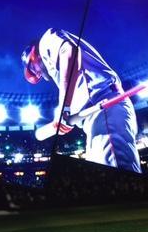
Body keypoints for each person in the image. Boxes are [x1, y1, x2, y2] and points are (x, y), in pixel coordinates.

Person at [21, 28, 141, 173]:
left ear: (34, 56)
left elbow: (69, 52)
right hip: (98, 116)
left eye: (33, 69)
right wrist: (66, 117)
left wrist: (64, 108)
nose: (38, 74)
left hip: (104, 107)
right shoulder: (55, 66)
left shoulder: (46, 40)